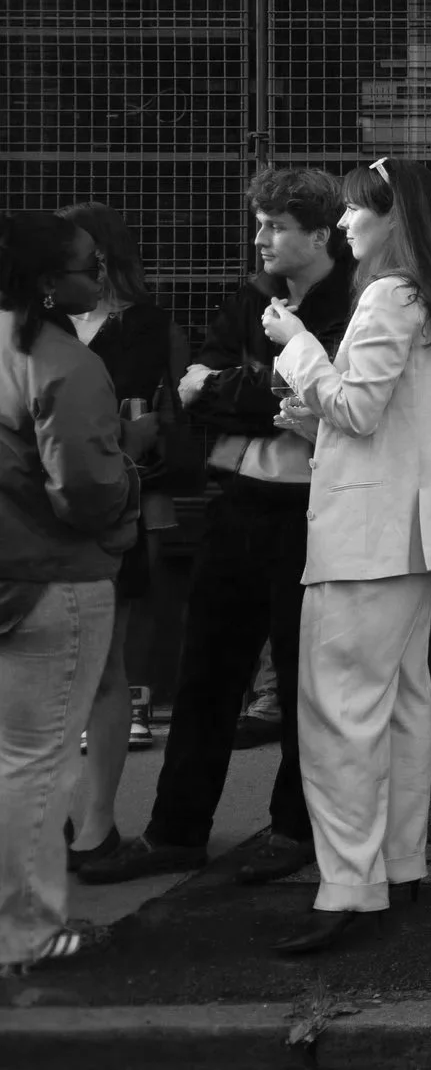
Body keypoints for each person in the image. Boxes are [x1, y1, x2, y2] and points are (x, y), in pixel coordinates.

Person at [81, 169, 355, 891]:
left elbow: (318, 397)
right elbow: (194, 394)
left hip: (311, 510)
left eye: (275, 226)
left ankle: (294, 828)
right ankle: (176, 832)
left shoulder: (356, 301)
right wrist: (262, 388)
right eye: (259, 223)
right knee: (205, 673)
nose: (260, 238)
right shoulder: (249, 297)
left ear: (319, 235)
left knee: (304, 680)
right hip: (235, 501)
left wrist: (237, 386)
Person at [261, 155, 431, 955]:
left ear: (394, 218)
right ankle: (398, 863)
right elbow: (387, 417)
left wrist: (296, 344)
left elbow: (357, 409)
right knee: (399, 709)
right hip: (411, 535)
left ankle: (351, 889)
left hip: (364, 539)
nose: (345, 221)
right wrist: (314, 415)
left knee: (340, 717)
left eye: (358, 208)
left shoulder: (389, 295)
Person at [0, 213, 140, 974]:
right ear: (51, 284)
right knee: (36, 762)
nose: (102, 275)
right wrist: (131, 468)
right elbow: (85, 491)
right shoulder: (64, 363)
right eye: (90, 265)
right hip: (53, 580)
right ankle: (25, 935)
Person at [55, 203, 188, 871]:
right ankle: (56, 821)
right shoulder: (35, 325)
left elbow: (173, 411)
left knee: (105, 665)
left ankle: (96, 823)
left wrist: (147, 436)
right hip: (46, 511)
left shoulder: (148, 325)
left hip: (119, 501)